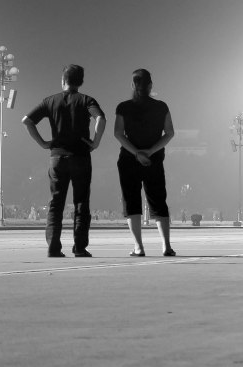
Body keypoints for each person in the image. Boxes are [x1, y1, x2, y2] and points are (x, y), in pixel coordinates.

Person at [22, 64, 106, 257]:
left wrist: (43, 143)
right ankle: (79, 247)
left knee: (56, 203)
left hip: (57, 157)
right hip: (81, 157)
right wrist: (95, 142)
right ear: (81, 81)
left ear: (63, 80)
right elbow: (101, 119)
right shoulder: (86, 100)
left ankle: (53, 247)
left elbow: (26, 120)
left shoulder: (50, 101)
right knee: (81, 203)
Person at [113, 69, 176, 256]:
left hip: (128, 160)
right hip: (154, 160)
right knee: (158, 201)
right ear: (150, 86)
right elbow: (170, 133)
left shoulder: (123, 107)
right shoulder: (161, 106)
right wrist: (150, 151)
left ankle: (138, 247)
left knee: (131, 202)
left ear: (132, 85)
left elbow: (118, 133)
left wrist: (136, 153)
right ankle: (166, 246)